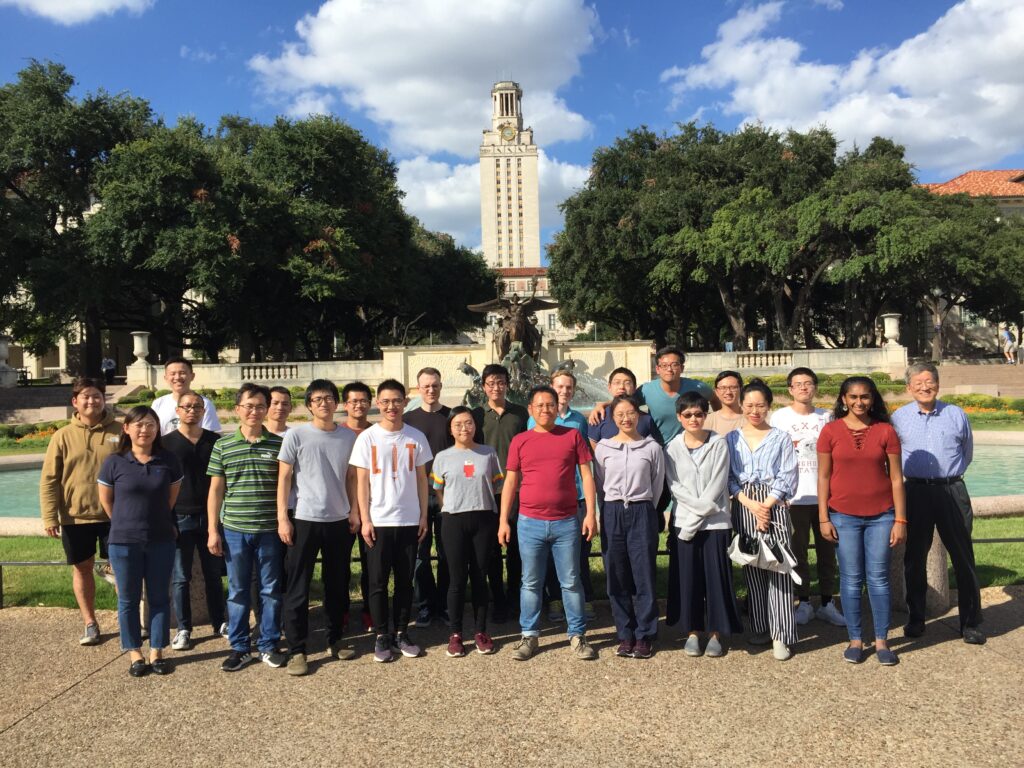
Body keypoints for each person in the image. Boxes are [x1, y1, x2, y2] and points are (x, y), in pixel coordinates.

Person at [499, 385, 598, 661]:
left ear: (557, 407)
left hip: (566, 521)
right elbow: (510, 482)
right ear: (530, 409)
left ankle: (577, 635)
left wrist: (591, 513)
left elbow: (587, 476)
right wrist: (503, 520)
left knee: (571, 581)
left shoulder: (572, 436)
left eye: (550, 404)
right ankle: (529, 634)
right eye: (539, 405)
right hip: (529, 522)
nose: (545, 409)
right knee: (530, 582)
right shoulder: (520, 440)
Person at [892, 362, 984, 645]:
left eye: (929, 381)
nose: (924, 387)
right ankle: (916, 618)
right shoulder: (898, 418)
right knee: (914, 558)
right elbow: (893, 458)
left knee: (963, 557)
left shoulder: (956, 414)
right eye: (918, 383)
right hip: (916, 492)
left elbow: (966, 453)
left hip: (952, 489)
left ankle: (971, 623)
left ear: (938, 384)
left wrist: (949, 477)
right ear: (909, 388)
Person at [818, 377, 906, 666]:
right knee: (851, 580)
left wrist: (900, 519)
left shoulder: (886, 431)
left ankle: (882, 640)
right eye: (853, 397)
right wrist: (823, 518)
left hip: (882, 515)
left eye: (865, 397)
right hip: (843, 515)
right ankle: (855, 639)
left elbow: (896, 478)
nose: (859, 402)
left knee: (878, 580)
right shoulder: (829, 431)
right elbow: (823, 477)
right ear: (843, 398)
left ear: (873, 399)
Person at [277, 379, 359, 676]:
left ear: (337, 404)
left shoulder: (348, 437)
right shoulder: (296, 435)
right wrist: (282, 518)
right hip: (305, 518)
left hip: (339, 519)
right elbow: (284, 478)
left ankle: (336, 638)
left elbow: (352, 478)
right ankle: (297, 649)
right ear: (309, 404)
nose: (323, 403)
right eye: (317, 399)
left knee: (337, 583)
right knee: (298, 586)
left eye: (328, 398)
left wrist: (355, 512)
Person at [206, 383, 287, 672]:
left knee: (271, 590)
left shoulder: (278, 445)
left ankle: (268, 644)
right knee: (238, 591)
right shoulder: (223, 445)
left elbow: (284, 487)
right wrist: (213, 530)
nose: (254, 411)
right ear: (237, 409)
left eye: (260, 406)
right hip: (235, 529)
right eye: (248, 406)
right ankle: (240, 647)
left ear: (267, 409)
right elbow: (216, 490)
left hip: (269, 530)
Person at [350, 379, 432, 663]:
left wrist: (423, 515)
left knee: (405, 582)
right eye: (385, 401)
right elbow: (362, 482)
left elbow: (422, 479)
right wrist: (365, 518)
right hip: (379, 520)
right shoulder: (367, 438)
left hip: (409, 519)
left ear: (405, 401)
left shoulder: (416, 437)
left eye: (396, 400)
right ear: (377, 402)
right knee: (377, 582)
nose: (391, 406)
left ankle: (401, 631)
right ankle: (381, 634)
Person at [97, 406, 183, 677]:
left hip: (160, 539)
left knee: (159, 597)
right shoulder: (114, 462)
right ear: (127, 429)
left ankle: (157, 651)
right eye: (138, 424)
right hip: (123, 541)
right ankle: (134, 652)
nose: (144, 430)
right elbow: (107, 502)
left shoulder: (168, 460)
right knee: (128, 599)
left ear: (158, 429)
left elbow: (170, 500)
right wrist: (125, 522)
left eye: (150, 425)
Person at [39, 377, 122, 645]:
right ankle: (90, 623)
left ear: (104, 399)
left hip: (115, 515)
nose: (91, 401)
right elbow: (50, 479)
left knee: (122, 568)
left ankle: (127, 618)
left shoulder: (120, 431)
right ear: (75, 401)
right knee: (82, 568)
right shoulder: (62, 436)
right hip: (76, 516)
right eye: (85, 396)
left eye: (97, 395)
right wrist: (50, 516)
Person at [665, 392, 742, 658]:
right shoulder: (672, 447)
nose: (693, 419)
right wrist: (694, 518)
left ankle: (717, 633)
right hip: (684, 522)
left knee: (716, 578)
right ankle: (692, 632)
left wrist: (698, 515)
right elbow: (675, 487)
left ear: (705, 414)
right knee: (688, 579)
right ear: (679, 417)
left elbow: (718, 484)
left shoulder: (719, 443)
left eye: (698, 413)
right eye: (687, 415)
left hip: (716, 523)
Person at [727, 378, 799, 661]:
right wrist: (748, 503)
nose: (754, 410)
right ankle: (759, 626)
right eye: (749, 405)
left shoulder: (780, 437)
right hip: (744, 503)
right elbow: (730, 477)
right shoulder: (731, 438)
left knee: (778, 566)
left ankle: (782, 634)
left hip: (773, 503)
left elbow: (788, 474)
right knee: (753, 565)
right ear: (741, 406)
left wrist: (766, 506)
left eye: (760, 405)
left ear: (769, 406)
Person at [769, 367, 844, 627]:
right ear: (790, 389)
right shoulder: (779, 418)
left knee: (827, 553)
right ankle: (803, 602)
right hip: (794, 498)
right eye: (798, 384)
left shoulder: (828, 417)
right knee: (796, 551)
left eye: (808, 383)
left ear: (815, 387)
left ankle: (826, 602)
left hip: (825, 497)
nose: (803, 388)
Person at [593, 395, 664, 659]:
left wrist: (643, 505)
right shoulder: (603, 447)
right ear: (613, 418)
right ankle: (624, 633)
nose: (626, 418)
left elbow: (657, 484)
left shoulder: (651, 448)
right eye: (620, 414)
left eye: (631, 413)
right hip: (612, 511)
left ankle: (645, 634)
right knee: (616, 572)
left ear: (639, 415)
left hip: (642, 509)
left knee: (643, 572)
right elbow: (600, 483)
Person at [431, 406, 503, 657]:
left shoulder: (488, 453)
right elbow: (438, 489)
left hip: (483, 518)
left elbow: (496, 487)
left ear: (476, 425)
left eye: (469, 423)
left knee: (480, 577)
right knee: (457, 579)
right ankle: (455, 634)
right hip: (454, 520)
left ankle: (481, 631)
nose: (465, 428)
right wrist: (448, 508)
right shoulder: (443, 457)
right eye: (458, 424)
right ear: (450, 429)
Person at [527, 370, 594, 622]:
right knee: (553, 557)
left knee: (580, 553)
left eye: (568, 387)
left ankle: (584, 597)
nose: (564, 391)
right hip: (548, 499)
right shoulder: (534, 419)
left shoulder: (579, 420)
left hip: (575, 495)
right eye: (559, 387)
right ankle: (555, 599)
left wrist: (590, 506)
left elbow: (585, 460)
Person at [165, 391, 226, 651]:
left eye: (197, 407)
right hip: (179, 517)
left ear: (204, 411)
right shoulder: (166, 443)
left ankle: (219, 621)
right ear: (177, 411)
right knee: (180, 577)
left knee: (214, 574)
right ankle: (184, 628)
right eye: (187, 406)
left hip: (210, 517)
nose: (192, 410)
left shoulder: (215, 441)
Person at [471, 363, 529, 622]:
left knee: (518, 549)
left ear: (508, 384)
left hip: (517, 490)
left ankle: (516, 598)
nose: (496, 387)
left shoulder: (520, 414)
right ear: (483, 386)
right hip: (486, 491)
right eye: (491, 383)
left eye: (501, 382)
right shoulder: (476, 415)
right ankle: (498, 600)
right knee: (492, 551)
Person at [588, 346, 717, 446]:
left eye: (674, 365)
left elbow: (715, 399)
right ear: (658, 369)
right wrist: (603, 404)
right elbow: (625, 402)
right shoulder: (646, 390)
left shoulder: (697, 387)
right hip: (657, 448)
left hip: (687, 446)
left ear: (682, 368)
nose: (669, 369)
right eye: (664, 365)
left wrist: (718, 422)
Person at [403, 367, 452, 628]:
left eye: (435, 385)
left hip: (447, 496)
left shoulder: (451, 417)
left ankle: (443, 604)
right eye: (426, 386)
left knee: (446, 553)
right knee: (419, 555)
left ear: (441, 386)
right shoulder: (408, 419)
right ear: (418, 388)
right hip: (416, 496)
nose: (430, 390)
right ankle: (425, 605)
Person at [341, 381, 374, 632]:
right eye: (353, 401)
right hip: (340, 508)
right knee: (339, 565)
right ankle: (340, 610)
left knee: (371, 565)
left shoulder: (376, 433)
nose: (359, 405)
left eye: (363, 400)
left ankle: (370, 611)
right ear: (345, 405)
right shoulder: (336, 432)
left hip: (372, 508)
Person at [150, 357, 221, 435]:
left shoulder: (204, 403)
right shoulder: (158, 404)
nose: (177, 377)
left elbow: (210, 436)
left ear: (192, 376)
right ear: (166, 378)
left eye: (182, 373)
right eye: (172, 374)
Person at [587, 367, 656, 448]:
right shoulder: (598, 417)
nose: (621, 387)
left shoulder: (646, 419)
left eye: (627, 383)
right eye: (617, 383)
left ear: (634, 388)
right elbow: (594, 450)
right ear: (609, 387)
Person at [704, 371, 744, 435]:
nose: (728, 392)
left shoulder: (751, 418)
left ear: (741, 389)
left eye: (733, 387)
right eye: (723, 388)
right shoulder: (707, 421)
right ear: (716, 392)